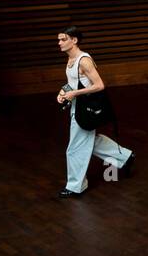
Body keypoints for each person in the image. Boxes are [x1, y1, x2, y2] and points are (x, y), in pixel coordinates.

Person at [56, 26, 135, 198]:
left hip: (85, 110)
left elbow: (99, 85)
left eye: (63, 39)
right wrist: (62, 92)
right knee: (91, 141)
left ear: (74, 40)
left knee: (74, 149)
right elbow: (74, 82)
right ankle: (125, 157)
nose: (59, 43)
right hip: (77, 108)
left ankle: (76, 186)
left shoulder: (84, 61)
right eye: (59, 40)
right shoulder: (70, 60)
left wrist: (74, 94)